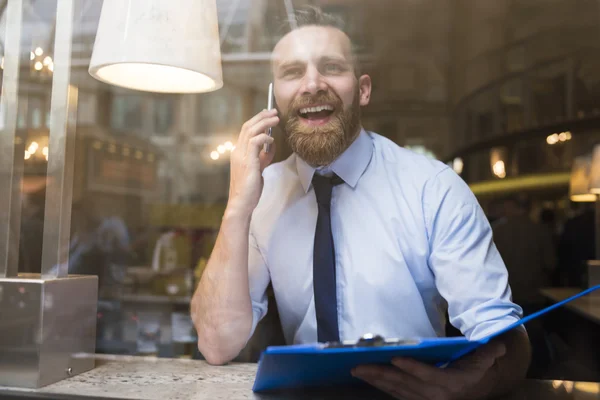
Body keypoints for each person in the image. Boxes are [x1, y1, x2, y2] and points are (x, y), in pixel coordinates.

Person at [191, 6, 531, 399]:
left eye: (331, 67)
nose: (312, 84)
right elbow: (217, 344)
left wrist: (471, 388)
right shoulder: (260, 193)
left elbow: (505, 338)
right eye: (291, 72)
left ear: (363, 89)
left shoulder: (433, 188)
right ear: (274, 98)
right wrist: (237, 206)